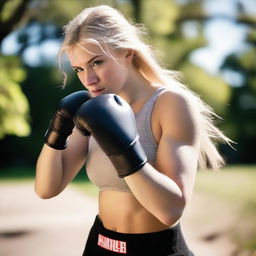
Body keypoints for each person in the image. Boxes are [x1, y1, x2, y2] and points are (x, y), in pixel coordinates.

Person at [35, 5, 231, 256]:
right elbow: (46, 189)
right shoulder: (92, 110)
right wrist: (57, 130)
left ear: (127, 52)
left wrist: (123, 147)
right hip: (100, 245)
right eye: (79, 69)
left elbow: (170, 211)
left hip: (155, 249)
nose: (88, 80)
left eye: (97, 62)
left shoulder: (170, 104)